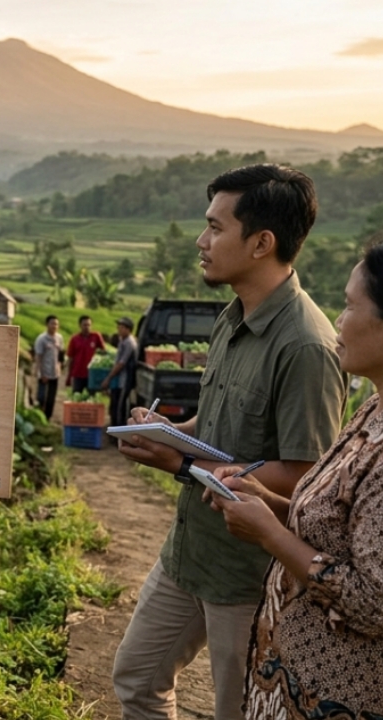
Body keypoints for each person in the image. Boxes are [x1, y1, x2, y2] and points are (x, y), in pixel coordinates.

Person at [113, 164, 347, 720]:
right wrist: (167, 432)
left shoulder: (306, 347)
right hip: (190, 551)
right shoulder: (232, 317)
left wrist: (177, 463)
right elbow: (214, 428)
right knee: (137, 678)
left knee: (237, 710)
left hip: (247, 575)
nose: (201, 241)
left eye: (216, 228)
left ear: (262, 242)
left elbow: (305, 480)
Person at [208, 243, 383, 718]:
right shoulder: (372, 409)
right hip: (297, 678)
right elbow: (338, 529)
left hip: (341, 695)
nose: (339, 322)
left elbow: (373, 601)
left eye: (349, 305)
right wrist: (267, 500)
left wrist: (269, 533)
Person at [99, 316, 138, 428]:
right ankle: (114, 430)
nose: (118, 329)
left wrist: (108, 378)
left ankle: (119, 434)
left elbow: (121, 363)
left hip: (124, 380)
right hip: (118, 380)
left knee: (120, 408)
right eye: (118, 327)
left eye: (121, 327)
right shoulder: (122, 340)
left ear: (128, 329)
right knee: (114, 405)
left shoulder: (129, 343)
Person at [32, 314, 64, 419]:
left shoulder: (59, 338)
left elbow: (61, 354)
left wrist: (60, 366)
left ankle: (48, 417)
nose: (54, 326)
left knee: (51, 398)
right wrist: (41, 373)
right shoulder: (41, 339)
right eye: (52, 323)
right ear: (47, 324)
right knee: (41, 398)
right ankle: (38, 417)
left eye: (56, 324)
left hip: (55, 373)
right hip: (44, 373)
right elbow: (38, 358)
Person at [65, 315, 106, 393]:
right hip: (78, 373)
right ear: (80, 325)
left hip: (92, 374)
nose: (87, 327)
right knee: (77, 396)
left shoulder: (96, 336)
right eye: (85, 325)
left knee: (92, 397)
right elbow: (70, 358)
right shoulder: (74, 339)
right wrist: (69, 375)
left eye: (89, 325)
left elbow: (104, 352)